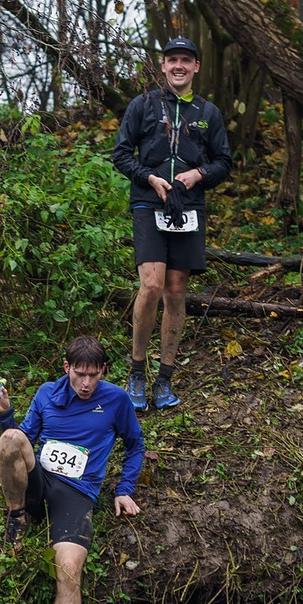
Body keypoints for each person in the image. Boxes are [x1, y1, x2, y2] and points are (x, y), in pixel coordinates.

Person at [0, 336, 146, 604]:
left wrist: (124, 490)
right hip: (39, 480)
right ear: (67, 368)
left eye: (93, 375)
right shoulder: (48, 392)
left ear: (103, 370)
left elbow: (136, 446)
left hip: (76, 492)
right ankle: (17, 517)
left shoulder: (116, 400)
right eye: (79, 374)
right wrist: (5, 414)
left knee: (70, 570)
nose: (86, 383)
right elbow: (24, 439)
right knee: (10, 437)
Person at [111, 35, 232, 409]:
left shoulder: (207, 112)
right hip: (149, 203)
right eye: (172, 59)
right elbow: (120, 154)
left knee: (176, 291)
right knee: (151, 285)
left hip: (189, 207)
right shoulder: (143, 105)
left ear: (196, 67)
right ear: (163, 66)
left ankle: (164, 378)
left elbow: (224, 162)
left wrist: (199, 175)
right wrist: (148, 177)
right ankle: (136, 372)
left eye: (186, 60)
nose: (178, 65)